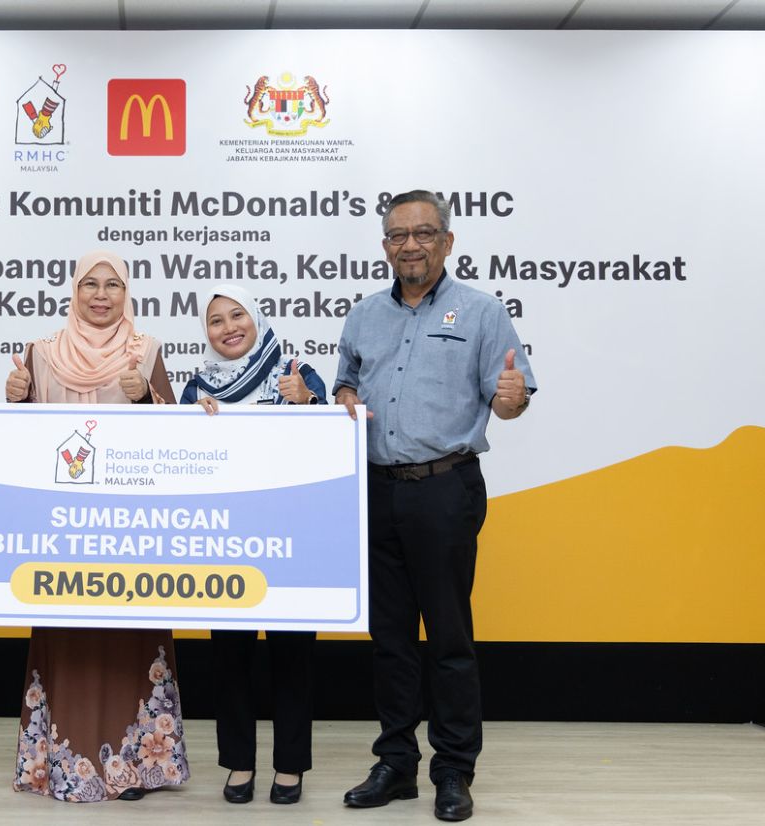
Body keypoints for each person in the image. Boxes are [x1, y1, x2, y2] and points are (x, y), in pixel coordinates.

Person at [334, 191, 535, 822]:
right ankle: (396, 763)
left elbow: (510, 399)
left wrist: (509, 398)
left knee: (448, 638)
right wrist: (341, 395)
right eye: (398, 235)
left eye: (423, 233)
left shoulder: (481, 311)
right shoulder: (364, 315)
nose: (410, 245)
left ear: (447, 242)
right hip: (376, 488)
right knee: (390, 638)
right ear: (385, 246)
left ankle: (454, 770)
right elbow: (345, 377)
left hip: (445, 490)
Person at [6, 250, 189, 803]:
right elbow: (17, 448)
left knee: (128, 636)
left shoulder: (146, 350)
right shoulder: (40, 353)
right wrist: (14, 402)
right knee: (69, 637)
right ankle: (60, 766)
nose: (101, 295)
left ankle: (136, 765)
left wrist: (147, 400)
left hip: (131, 527)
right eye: (90, 284)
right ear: (74, 291)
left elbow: (179, 438)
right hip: (62, 527)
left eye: (113, 285)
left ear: (127, 293)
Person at [179, 285, 326, 805]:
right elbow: (180, 460)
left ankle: (290, 766)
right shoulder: (197, 386)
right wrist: (196, 427)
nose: (228, 327)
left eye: (237, 315)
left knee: (292, 658)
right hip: (224, 540)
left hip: (291, 538)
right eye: (215, 321)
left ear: (256, 318)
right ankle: (239, 762)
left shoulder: (295, 371)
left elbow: (328, 451)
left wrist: (306, 403)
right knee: (231, 658)